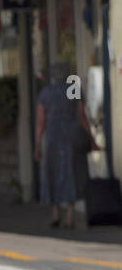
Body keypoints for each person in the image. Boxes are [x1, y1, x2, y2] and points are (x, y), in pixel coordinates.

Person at [35, 63, 96, 229]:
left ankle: (55, 214)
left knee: (52, 172)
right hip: (72, 137)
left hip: (53, 137)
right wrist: (91, 138)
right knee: (71, 173)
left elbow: (40, 122)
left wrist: (37, 145)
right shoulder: (73, 89)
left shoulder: (46, 93)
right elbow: (82, 116)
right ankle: (70, 216)